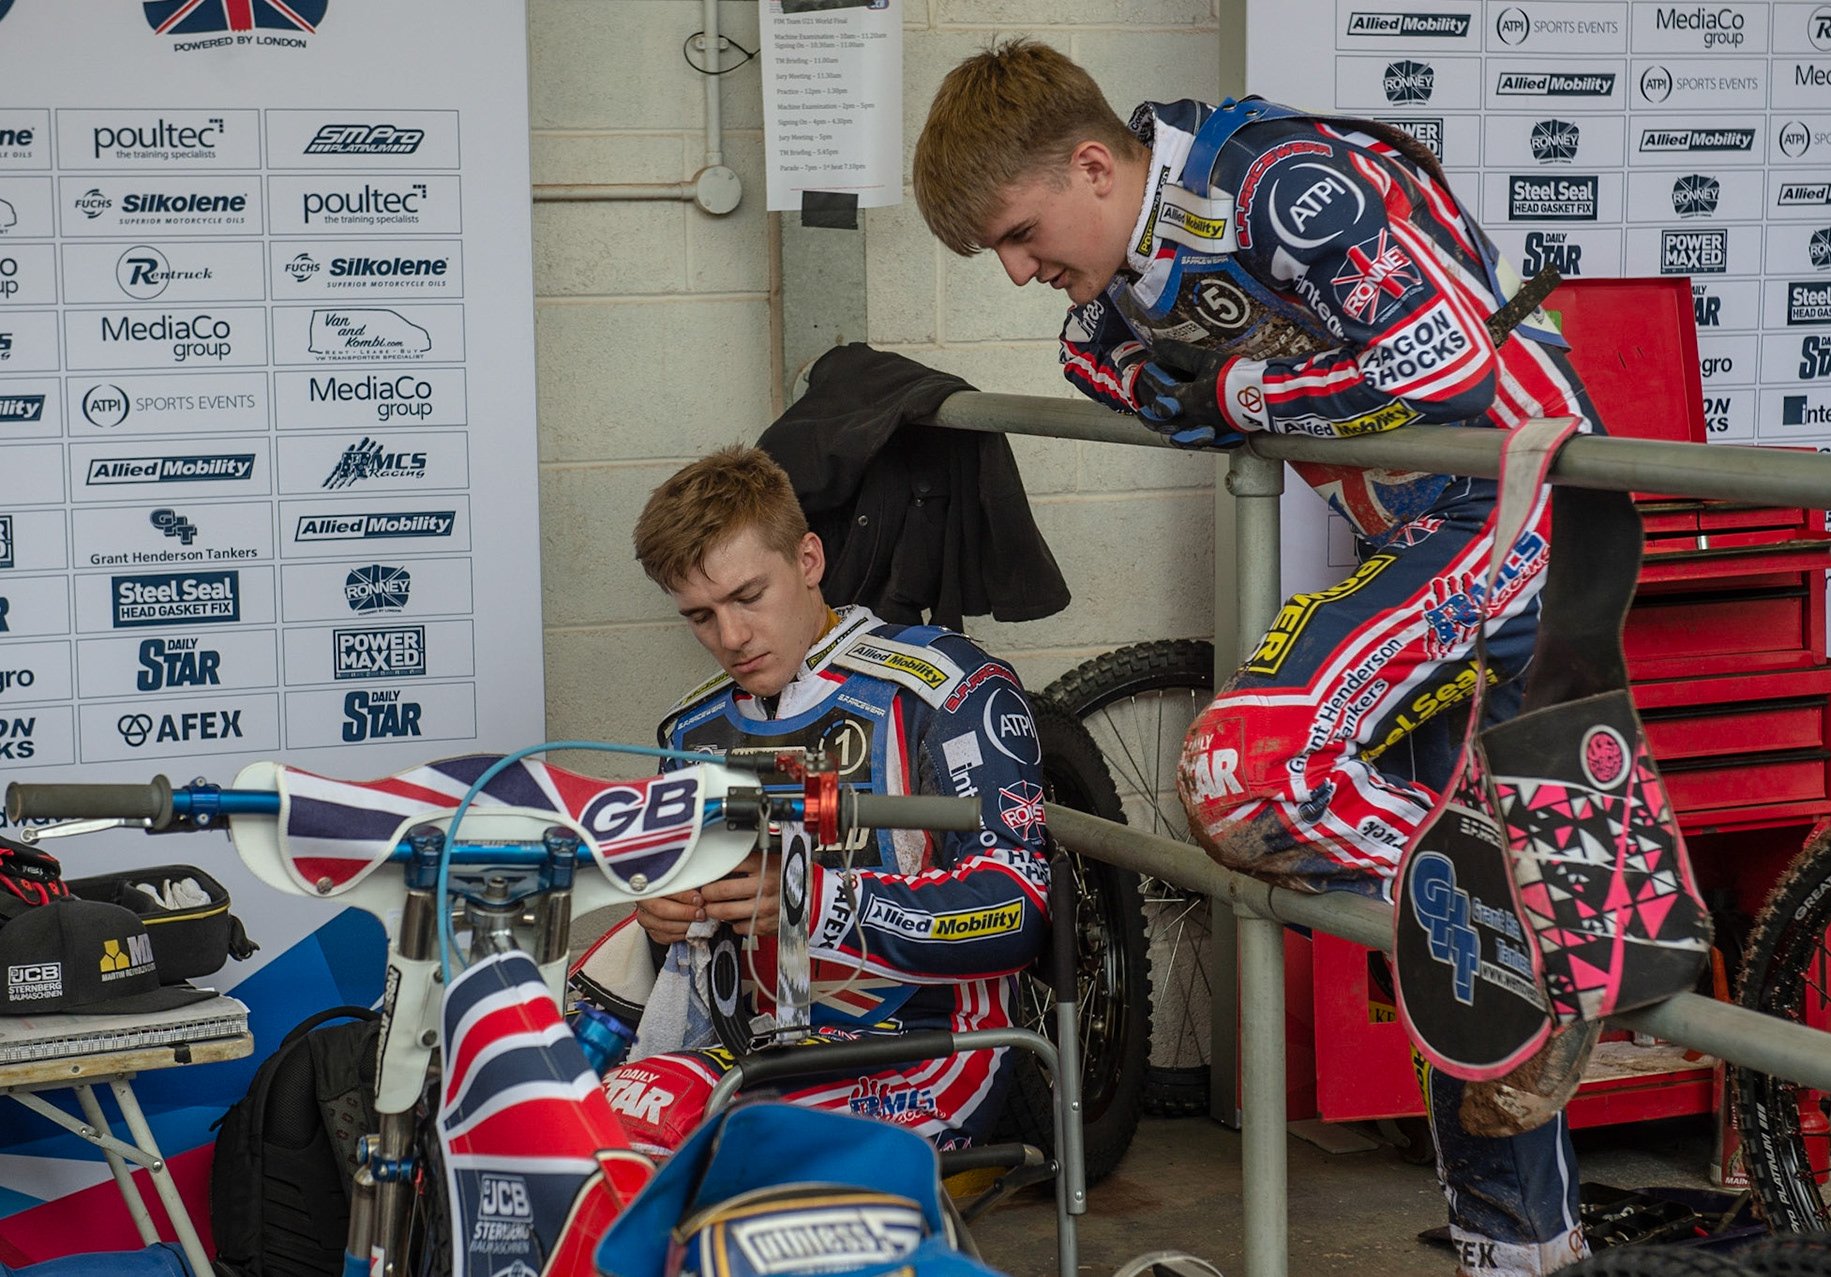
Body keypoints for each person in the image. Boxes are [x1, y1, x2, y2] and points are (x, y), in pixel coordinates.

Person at [914, 41, 1606, 1277]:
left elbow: (1442, 361)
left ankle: (1541, 936)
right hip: (1421, 524)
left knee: (1249, 766)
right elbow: (1091, 356)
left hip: (1511, 503)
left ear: (1089, 163)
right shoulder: (1145, 238)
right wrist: (1199, 382)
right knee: (1431, 914)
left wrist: (1237, 391)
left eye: (1019, 234)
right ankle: (1524, 1244)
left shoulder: (1282, 181)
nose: (1021, 272)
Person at [592, 445, 1052, 1159]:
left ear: (808, 560)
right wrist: (662, 920)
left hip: (929, 1052)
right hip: (748, 1046)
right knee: (548, 1105)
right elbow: (684, 949)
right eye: (701, 616)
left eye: (748, 597)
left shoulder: (950, 686)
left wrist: (819, 901)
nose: (732, 637)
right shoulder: (692, 727)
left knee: (667, 1133)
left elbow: (1018, 909)